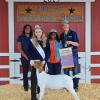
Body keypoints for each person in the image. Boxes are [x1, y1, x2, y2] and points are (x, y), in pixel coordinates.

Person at [26, 25, 50, 100]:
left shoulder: (46, 40)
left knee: (42, 80)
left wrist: (45, 60)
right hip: (35, 63)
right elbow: (29, 51)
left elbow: (48, 52)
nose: (38, 33)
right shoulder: (32, 41)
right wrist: (31, 60)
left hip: (42, 63)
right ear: (34, 33)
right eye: (36, 32)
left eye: (39, 31)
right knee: (34, 80)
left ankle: (40, 96)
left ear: (42, 32)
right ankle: (33, 97)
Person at [60, 19, 80, 91]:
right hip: (65, 52)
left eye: (66, 24)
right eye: (64, 25)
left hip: (73, 52)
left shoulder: (73, 33)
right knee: (66, 71)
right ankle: (68, 86)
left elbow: (77, 44)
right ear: (62, 26)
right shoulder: (61, 35)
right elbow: (61, 45)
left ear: (68, 25)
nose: (65, 26)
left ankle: (75, 86)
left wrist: (71, 42)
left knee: (75, 70)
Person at [17, 24, 32, 91]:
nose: (28, 29)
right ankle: (25, 86)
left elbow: (36, 47)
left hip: (32, 57)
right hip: (24, 57)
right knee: (25, 72)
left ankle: (34, 85)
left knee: (34, 72)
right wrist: (25, 56)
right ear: (24, 29)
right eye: (26, 28)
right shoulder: (20, 37)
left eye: (29, 28)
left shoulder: (33, 37)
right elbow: (19, 48)